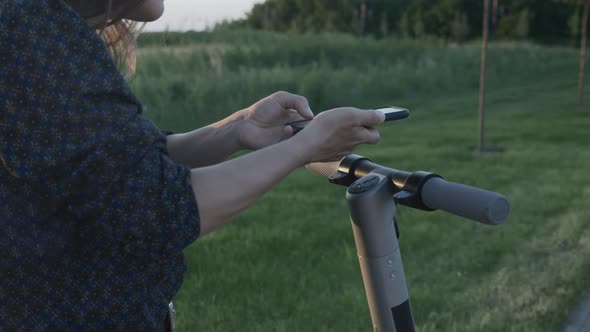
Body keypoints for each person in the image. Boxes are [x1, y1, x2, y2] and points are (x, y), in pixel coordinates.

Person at [0, 0, 385, 330]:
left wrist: (238, 129)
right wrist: (306, 145)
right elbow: (153, 206)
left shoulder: (29, 22)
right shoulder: (29, 27)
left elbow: (118, 165)